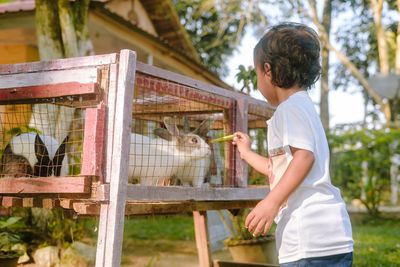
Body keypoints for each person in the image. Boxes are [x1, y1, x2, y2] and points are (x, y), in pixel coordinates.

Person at [232, 22, 354, 266]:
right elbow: (277, 169)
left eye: (256, 74)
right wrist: (245, 153)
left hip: (308, 239)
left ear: (267, 70)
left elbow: (304, 158)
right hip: (327, 236)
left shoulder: (289, 109)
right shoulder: (302, 107)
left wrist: (271, 202)